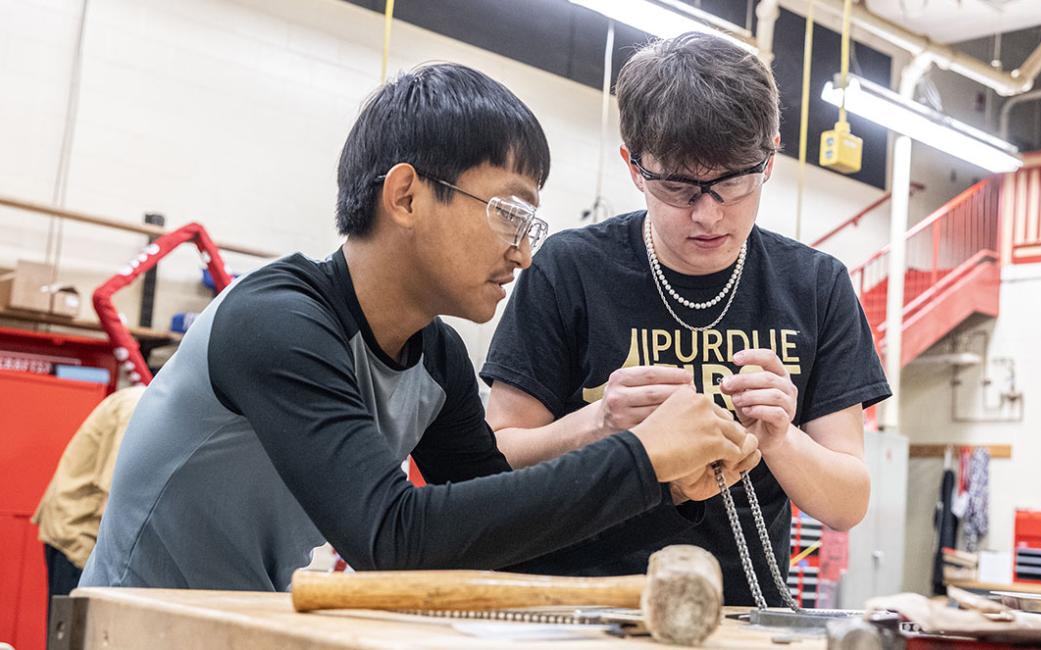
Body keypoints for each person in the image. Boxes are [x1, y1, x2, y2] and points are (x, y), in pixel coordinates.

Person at [80, 63, 759, 591]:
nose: (523, 252)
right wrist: (641, 459)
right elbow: (393, 537)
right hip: (138, 626)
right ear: (405, 195)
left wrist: (666, 479)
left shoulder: (436, 357)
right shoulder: (276, 322)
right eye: (509, 214)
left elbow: (493, 522)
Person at [482, 33, 891, 606]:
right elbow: (497, 457)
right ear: (633, 165)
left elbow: (848, 502)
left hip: (742, 615)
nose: (707, 214)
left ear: (769, 158)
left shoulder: (816, 286)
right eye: (677, 185)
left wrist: (780, 438)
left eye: (731, 182)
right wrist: (598, 422)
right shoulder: (571, 269)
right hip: (582, 609)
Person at [33, 386, 145, 614]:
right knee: (75, 635)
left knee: (65, 632)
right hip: (80, 536)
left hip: (69, 523)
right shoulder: (137, 407)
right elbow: (114, 499)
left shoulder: (136, 398)